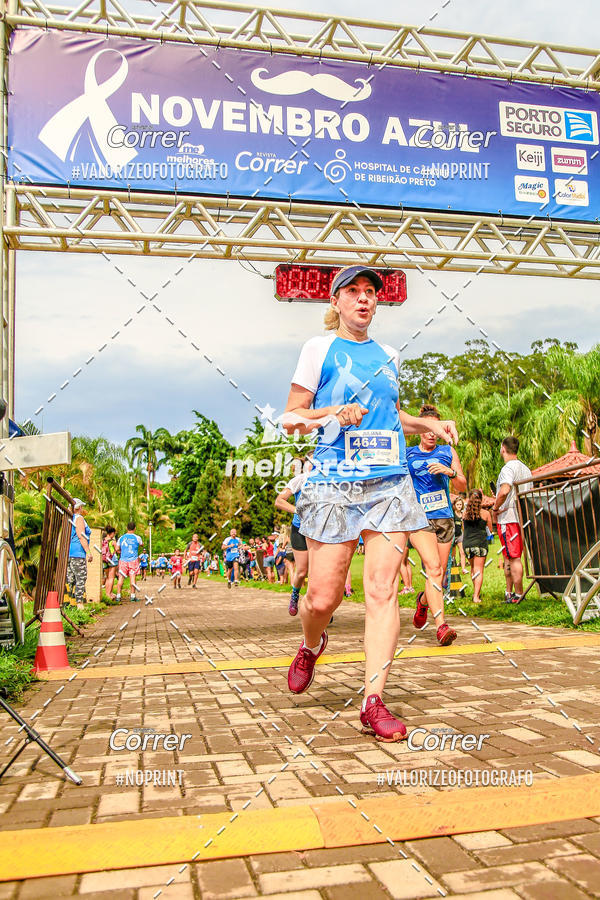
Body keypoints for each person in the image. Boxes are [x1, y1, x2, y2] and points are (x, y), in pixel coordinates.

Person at [282, 264, 459, 742]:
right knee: (323, 597)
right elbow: (290, 418)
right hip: (333, 482)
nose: (364, 298)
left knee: (382, 590)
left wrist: (429, 425)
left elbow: (391, 417)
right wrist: (332, 414)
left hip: (388, 483)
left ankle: (373, 702)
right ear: (336, 301)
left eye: (370, 292)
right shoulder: (317, 349)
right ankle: (311, 643)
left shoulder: (389, 355)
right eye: (354, 291)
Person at [406, 405, 467, 640]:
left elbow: (462, 485)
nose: (432, 434)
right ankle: (441, 626)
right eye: (427, 428)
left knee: (438, 576)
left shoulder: (447, 451)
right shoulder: (408, 454)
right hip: (419, 518)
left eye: (436, 429)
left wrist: (449, 472)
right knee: (433, 568)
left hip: (444, 517)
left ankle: (423, 602)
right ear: (419, 429)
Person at [492, 436, 533, 604]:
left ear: (503, 448)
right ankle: (509, 592)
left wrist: (495, 508)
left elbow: (504, 490)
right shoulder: (526, 469)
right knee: (509, 556)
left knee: (514, 557)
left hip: (509, 518)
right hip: (522, 517)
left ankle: (518, 594)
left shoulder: (507, 468)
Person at [275, 458, 311, 615]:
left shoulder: (327, 479)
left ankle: (317, 605)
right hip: (300, 529)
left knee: (318, 571)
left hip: (320, 531)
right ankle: (295, 595)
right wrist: (297, 510)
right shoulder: (299, 480)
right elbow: (279, 501)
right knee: (302, 571)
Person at [462, 490, 493, 603]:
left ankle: (475, 592)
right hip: (480, 544)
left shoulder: (465, 513)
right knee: (478, 570)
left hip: (467, 545)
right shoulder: (485, 513)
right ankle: (476, 596)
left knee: (473, 568)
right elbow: (490, 530)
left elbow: (464, 529)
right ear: (481, 499)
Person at [66, 498, 93, 608]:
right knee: (80, 578)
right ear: (79, 507)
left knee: (70, 579)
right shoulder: (79, 518)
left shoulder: (69, 518)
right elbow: (81, 536)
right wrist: (88, 552)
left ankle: (70, 604)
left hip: (69, 552)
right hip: (78, 552)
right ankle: (79, 604)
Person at [116, 522, 143, 602]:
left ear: (127, 528)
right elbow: (142, 544)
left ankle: (118, 596)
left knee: (121, 578)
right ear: (135, 528)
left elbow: (117, 549)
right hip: (133, 561)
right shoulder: (137, 537)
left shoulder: (121, 538)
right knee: (133, 577)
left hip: (123, 560)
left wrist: (122, 551)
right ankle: (132, 596)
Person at [101, 526, 119, 600]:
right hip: (112, 559)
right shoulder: (112, 541)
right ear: (112, 533)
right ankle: (109, 593)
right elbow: (117, 549)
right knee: (111, 578)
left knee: (107, 577)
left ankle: (107, 593)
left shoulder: (102, 540)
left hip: (104, 559)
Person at [452, 498, 469, 573]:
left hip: (459, 535)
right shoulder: (452, 514)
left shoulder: (463, 514)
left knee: (462, 552)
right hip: (452, 535)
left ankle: (463, 569)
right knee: (453, 554)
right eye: (457, 504)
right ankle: (453, 569)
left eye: (460, 504)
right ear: (454, 505)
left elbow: (463, 525)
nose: (459, 506)